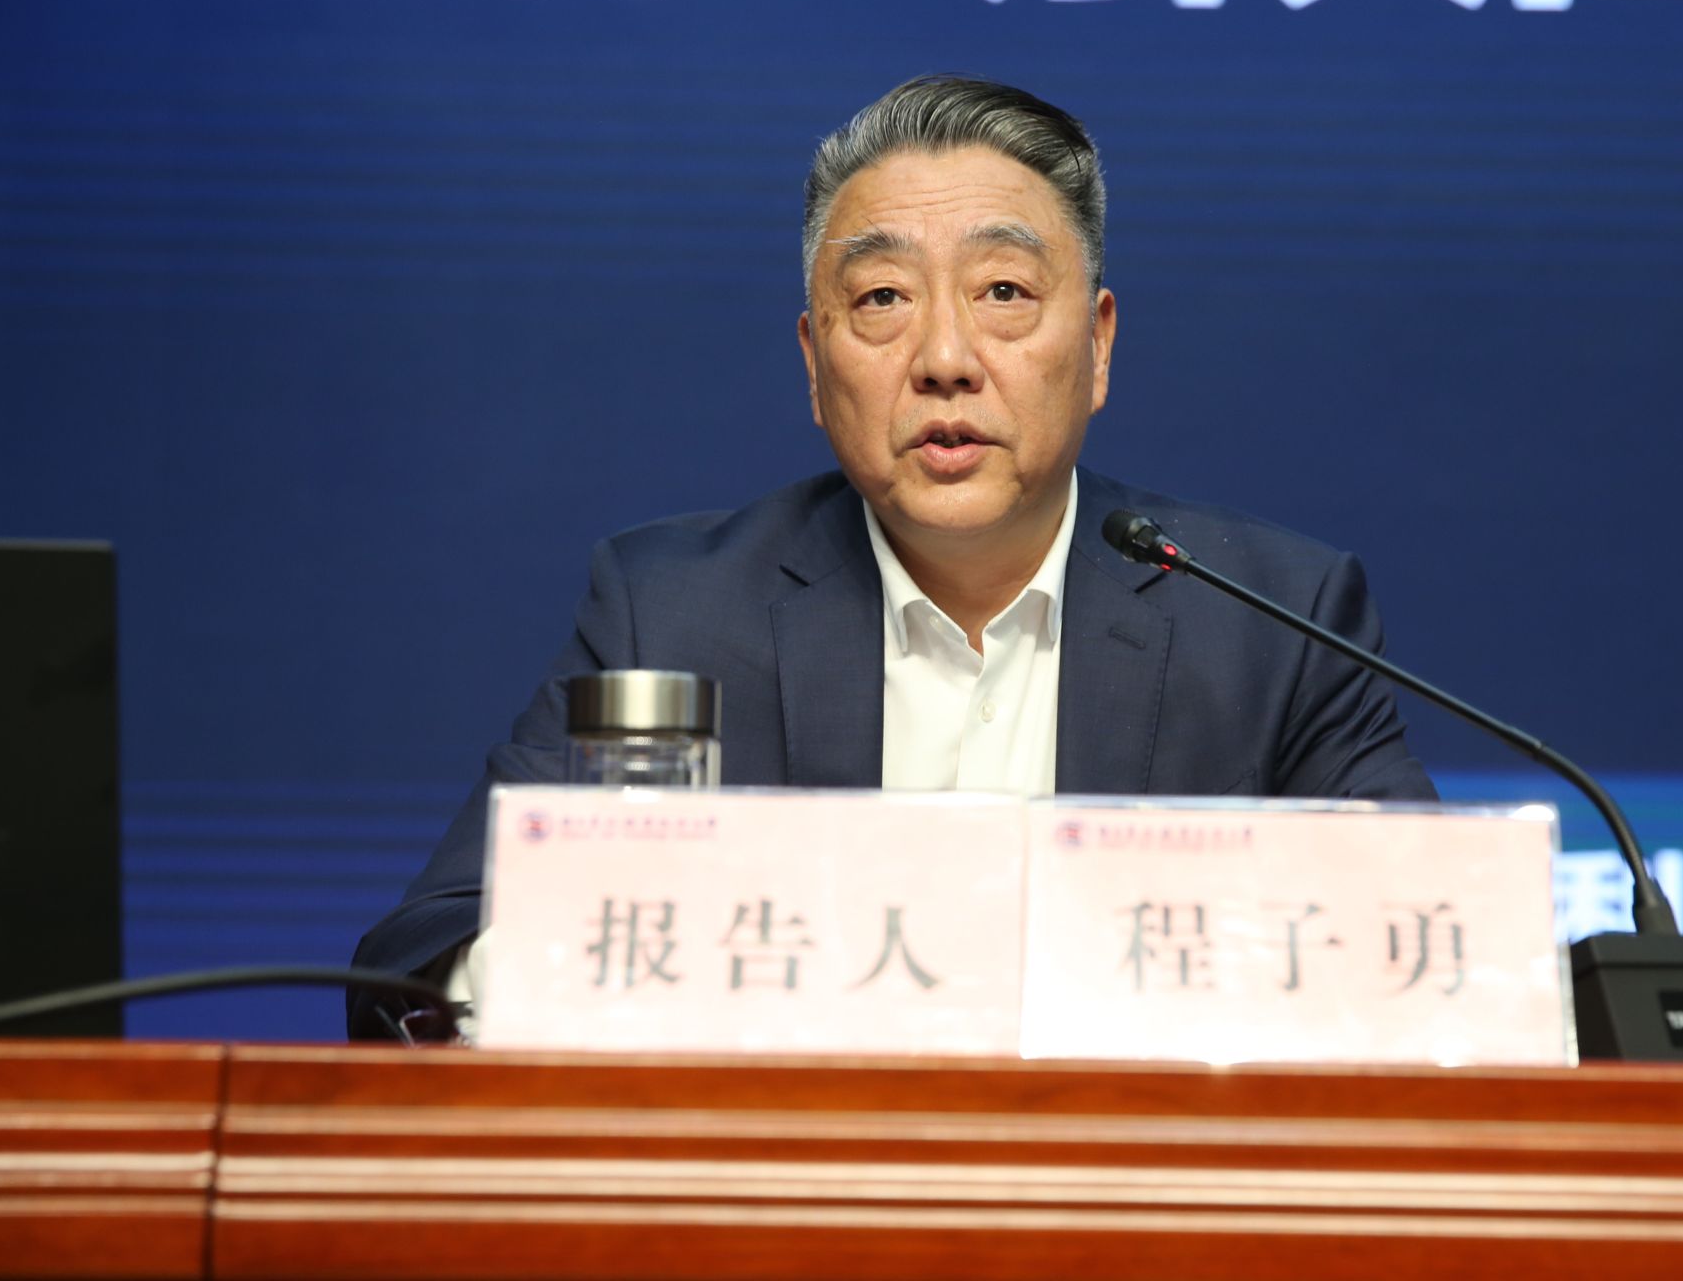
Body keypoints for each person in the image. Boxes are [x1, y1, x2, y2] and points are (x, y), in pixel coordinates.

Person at [348, 76, 1434, 1039]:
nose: (945, 359)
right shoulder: (673, 612)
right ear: (814, 365)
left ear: (1098, 345)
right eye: (882, 300)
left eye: (1003, 292)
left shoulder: (1270, 621)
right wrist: (599, 968)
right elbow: (425, 958)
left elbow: (1425, 958)